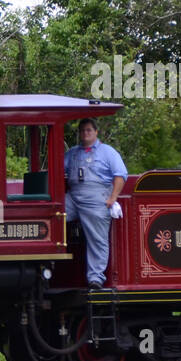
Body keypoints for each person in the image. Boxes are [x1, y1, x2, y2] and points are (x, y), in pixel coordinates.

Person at [64, 118, 127, 287]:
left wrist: (112, 198)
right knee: (53, 215)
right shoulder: (72, 153)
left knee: (98, 238)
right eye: (82, 131)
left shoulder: (108, 152)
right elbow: (59, 170)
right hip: (73, 197)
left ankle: (95, 278)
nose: (85, 134)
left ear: (96, 132)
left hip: (96, 199)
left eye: (89, 130)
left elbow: (120, 175)